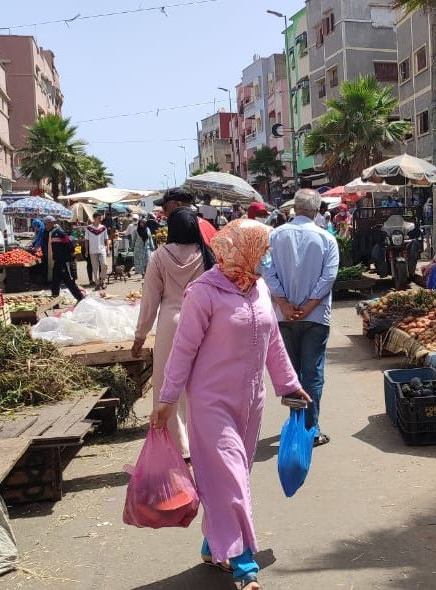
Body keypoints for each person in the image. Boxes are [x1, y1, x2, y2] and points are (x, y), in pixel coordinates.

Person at [149, 220, 312, 590]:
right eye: (263, 250)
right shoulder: (203, 293)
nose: (267, 258)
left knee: (228, 480)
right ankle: (243, 565)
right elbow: (183, 350)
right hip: (210, 404)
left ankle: (213, 544)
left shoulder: (259, 288)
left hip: (251, 403)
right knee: (232, 481)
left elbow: (273, 343)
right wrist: (167, 400)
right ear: (244, 249)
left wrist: (289, 385)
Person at [133, 209, 215, 460]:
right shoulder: (206, 254)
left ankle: (180, 446)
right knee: (200, 383)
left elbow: (150, 300)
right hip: (202, 321)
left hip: (170, 322)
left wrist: (140, 335)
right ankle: (203, 440)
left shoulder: (159, 256)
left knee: (169, 384)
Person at [262, 189, 339, 447]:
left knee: (291, 374)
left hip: (284, 317)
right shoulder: (326, 239)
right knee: (312, 372)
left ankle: (297, 422)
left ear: (294, 209)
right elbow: (328, 277)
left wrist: (283, 302)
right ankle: (310, 428)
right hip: (315, 317)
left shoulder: (274, 236)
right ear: (317, 211)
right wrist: (309, 306)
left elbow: (266, 270)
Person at [43, 216, 84, 301]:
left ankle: (80, 298)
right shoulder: (51, 233)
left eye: (46, 224)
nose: (45, 226)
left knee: (69, 282)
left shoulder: (60, 232)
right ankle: (55, 302)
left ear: (51, 223)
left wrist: (72, 255)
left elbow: (69, 244)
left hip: (65, 261)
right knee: (55, 282)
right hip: (57, 261)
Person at [85, 212, 110, 290]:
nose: (101, 219)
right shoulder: (89, 228)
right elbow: (86, 240)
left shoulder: (103, 228)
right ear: (94, 218)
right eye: (99, 218)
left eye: (101, 218)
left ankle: (102, 280)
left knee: (105, 265)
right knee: (95, 268)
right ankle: (97, 283)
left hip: (102, 249)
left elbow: (106, 239)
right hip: (92, 251)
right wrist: (86, 250)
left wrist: (108, 248)